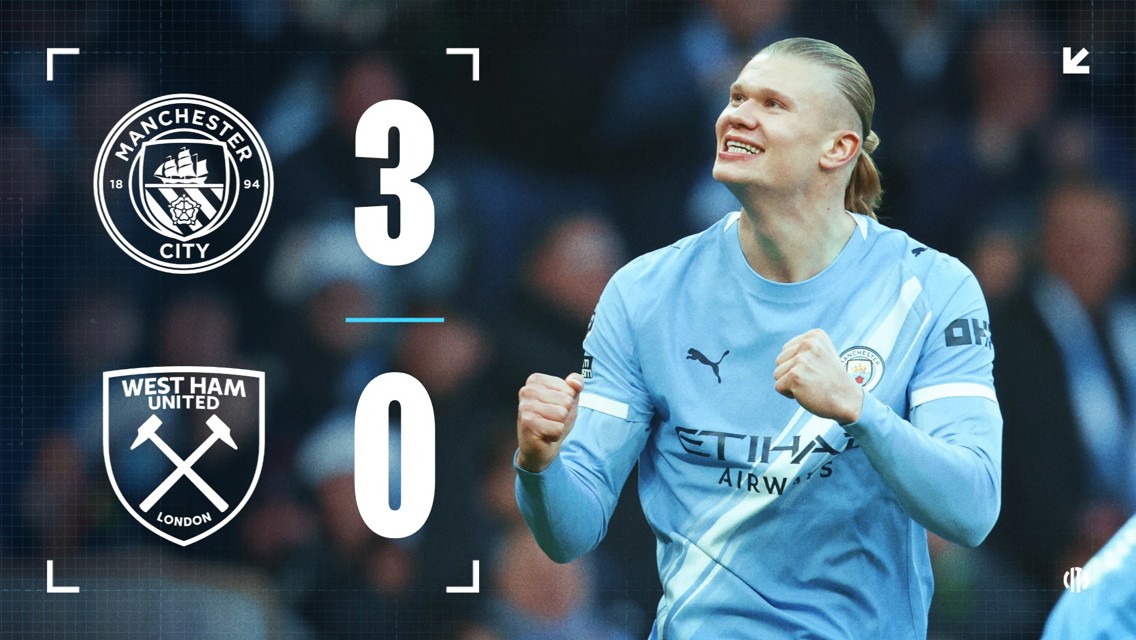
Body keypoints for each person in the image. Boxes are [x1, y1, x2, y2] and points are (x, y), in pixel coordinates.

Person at [514, 37, 1002, 639]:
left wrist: (859, 410)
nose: (737, 114)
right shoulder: (646, 292)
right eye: (736, 97)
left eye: (773, 104)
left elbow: (972, 510)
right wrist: (540, 465)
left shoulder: (929, 289)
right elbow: (571, 532)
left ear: (839, 148)